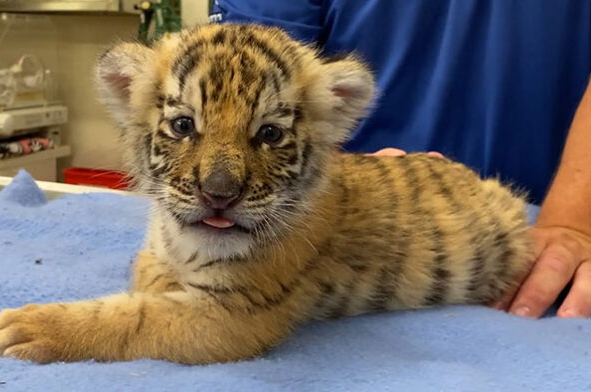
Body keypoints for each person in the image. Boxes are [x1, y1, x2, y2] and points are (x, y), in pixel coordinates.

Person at [209, 0, 591, 318]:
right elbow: (240, 85)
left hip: (533, 225)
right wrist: (346, 183)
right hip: (339, 216)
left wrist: (575, 221)